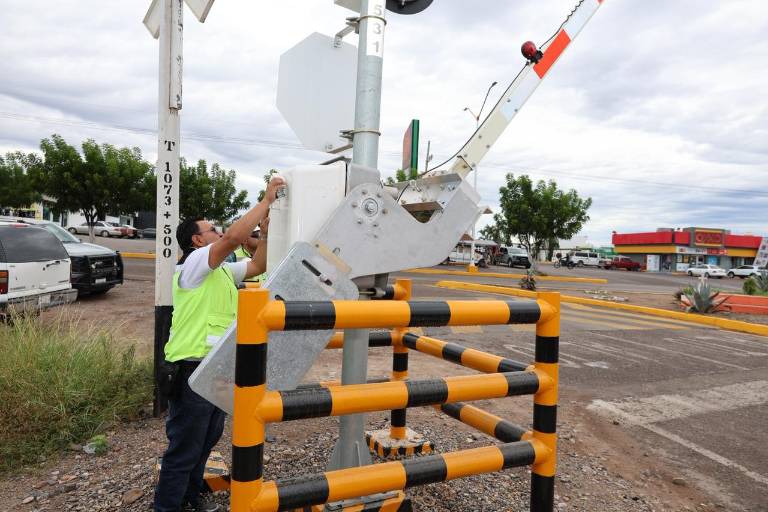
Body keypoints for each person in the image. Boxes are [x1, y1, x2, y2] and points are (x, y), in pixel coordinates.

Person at [154, 176, 285, 512]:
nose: (219, 232)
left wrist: (267, 233)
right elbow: (236, 237)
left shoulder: (223, 272)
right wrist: (266, 200)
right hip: (190, 369)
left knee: (206, 442)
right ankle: (167, 507)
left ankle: (190, 499)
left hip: (214, 368)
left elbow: (259, 265)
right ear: (197, 240)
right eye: (211, 230)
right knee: (185, 447)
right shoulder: (195, 264)